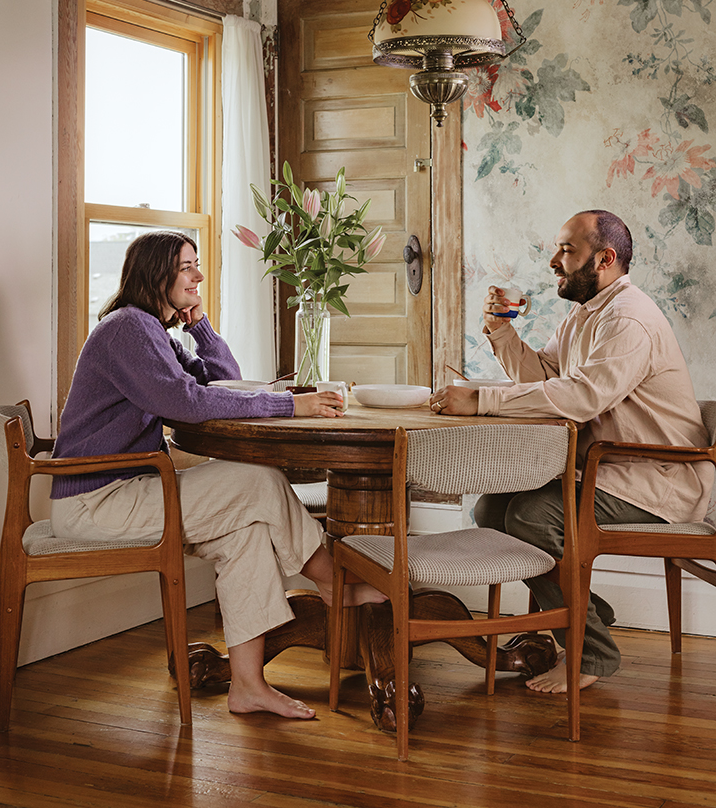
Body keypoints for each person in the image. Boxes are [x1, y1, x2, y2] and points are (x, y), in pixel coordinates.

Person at [50, 230, 384, 720]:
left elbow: (223, 379)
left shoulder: (154, 332)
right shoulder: (127, 328)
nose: (199, 276)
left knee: (245, 532)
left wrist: (200, 325)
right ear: (156, 273)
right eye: (187, 267)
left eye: (196, 265)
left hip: (131, 491)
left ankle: (248, 686)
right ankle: (332, 581)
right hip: (96, 502)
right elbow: (186, 403)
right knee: (259, 479)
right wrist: (290, 405)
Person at [430, 210, 711, 694]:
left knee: (533, 517)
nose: (554, 262)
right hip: (609, 471)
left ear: (604, 258)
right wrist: (501, 330)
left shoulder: (628, 318)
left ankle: (594, 651)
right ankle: (589, 612)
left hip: (656, 481)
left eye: (566, 250)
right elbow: (545, 380)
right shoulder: (586, 313)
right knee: (491, 507)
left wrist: (482, 400)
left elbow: (581, 397)